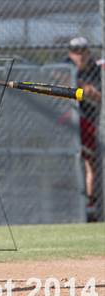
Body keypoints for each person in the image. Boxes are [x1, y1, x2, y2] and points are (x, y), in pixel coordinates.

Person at [67, 37, 102, 221]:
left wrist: (82, 88)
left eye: (83, 51)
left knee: (91, 164)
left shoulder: (95, 71)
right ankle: (69, 205)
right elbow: (59, 82)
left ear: (88, 53)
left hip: (88, 122)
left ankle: (90, 208)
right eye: (75, 51)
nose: (80, 55)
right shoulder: (65, 67)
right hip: (67, 121)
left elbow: (96, 95)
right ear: (70, 53)